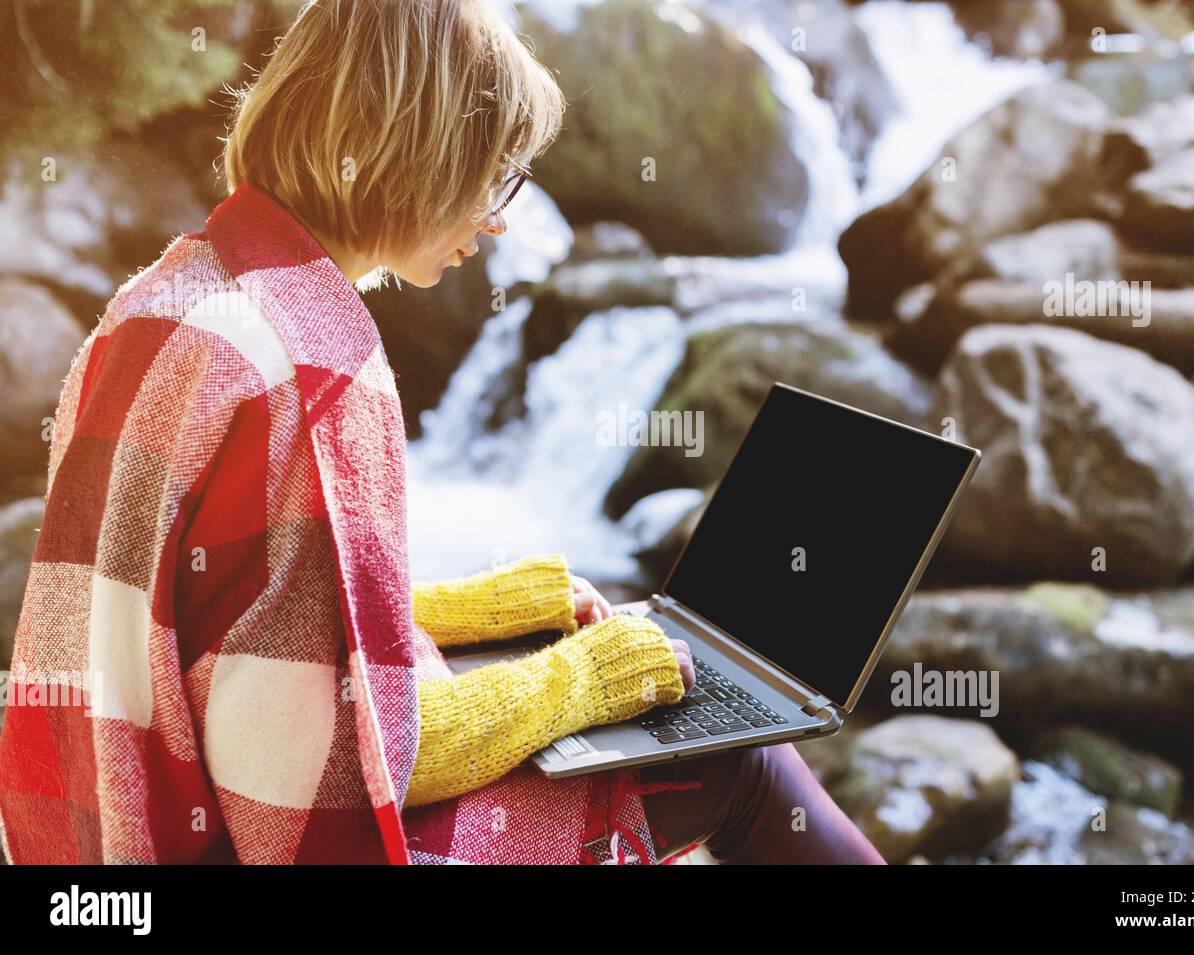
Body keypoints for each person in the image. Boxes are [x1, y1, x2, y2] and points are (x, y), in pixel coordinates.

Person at [0, 0, 884, 866]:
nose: (498, 218)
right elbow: (344, 772)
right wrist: (575, 679)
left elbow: (231, 631)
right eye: (491, 172)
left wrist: (465, 612)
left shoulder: (162, 305)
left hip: (92, 830)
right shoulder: (315, 368)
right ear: (410, 153)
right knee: (740, 763)